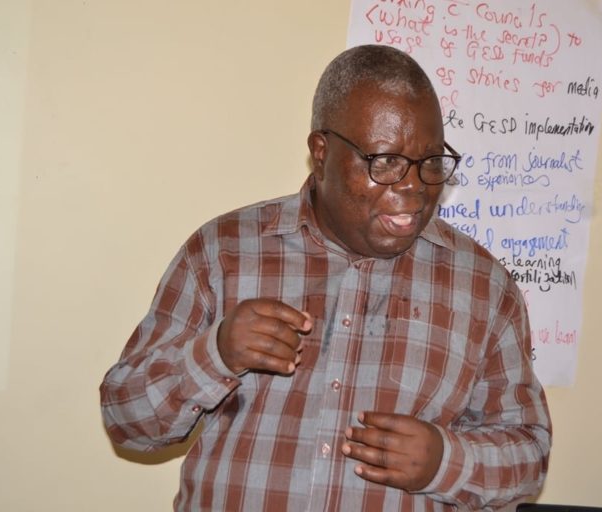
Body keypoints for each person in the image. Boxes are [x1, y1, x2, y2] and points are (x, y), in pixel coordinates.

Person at [100, 44, 551, 511]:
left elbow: (529, 455)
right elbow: (126, 419)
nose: (414, 186)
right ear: (321, 153)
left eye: (432, 161)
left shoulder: (483, 287)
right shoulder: (223, 252)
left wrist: (445, 461)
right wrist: (217, 353)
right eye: (385, 161)